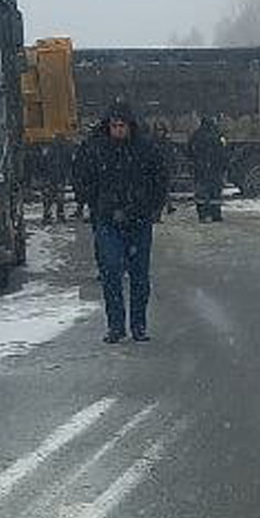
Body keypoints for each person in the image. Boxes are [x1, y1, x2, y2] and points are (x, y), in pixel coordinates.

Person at [73, 100, 170, 343]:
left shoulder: (144, 150)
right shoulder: (97, 149)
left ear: (130, 126)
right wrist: (93, 203)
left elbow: (161, 178)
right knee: (111, 272)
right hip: (108, 220)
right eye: (114, 125)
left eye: (121, 125)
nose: (118, 130)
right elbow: (81, 177)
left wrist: (152, 207)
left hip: (138, 220)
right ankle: (116, 326)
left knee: (139, 276)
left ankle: (138, 326)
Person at [187, 115, 229, 222]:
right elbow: (223, 152)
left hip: (201, 169)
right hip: (215, 170)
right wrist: (223, 166)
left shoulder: (197, 135)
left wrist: (195, 162)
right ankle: (216, 214)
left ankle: (203, 215)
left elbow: (190, 150)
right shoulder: (218, 135)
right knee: (215, 193)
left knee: (201, 193)